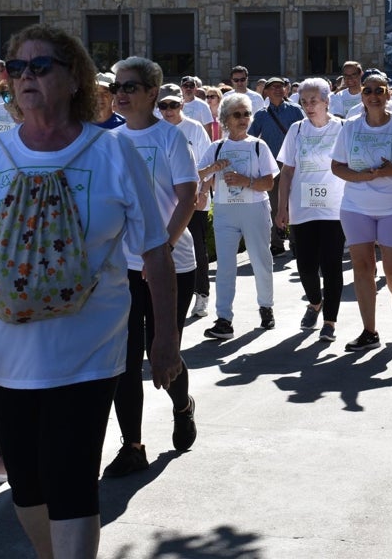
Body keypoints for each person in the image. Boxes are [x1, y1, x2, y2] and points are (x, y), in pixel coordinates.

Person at [0, 24, 181, 558]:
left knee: (70, 479)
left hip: (87, 354)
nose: (25, 77)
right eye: (17, 68)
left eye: (40, 66)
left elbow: (154, 253)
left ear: (74, 79)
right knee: (28, 484)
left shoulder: (112, 153)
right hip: (1, 356)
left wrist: (165, 341)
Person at [103, 67, 198, 478]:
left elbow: (188, 198)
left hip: (171, 264)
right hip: (122, 267)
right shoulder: (110, 140)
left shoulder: (169, 138)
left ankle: (182, 404)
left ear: (152, 92)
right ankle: (133, 444)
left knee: (163, 351)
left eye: (130, 87)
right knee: (125, 358)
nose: (120, 94)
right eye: (116, 88)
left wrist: (160, 250)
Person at [330, 72, 392, 350]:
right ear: (362, 96)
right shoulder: (350, 126)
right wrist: (361, 177)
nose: (373, 95)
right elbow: (337, 166)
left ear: (388, 94)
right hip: (356, 206)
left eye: (379, 90)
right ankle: (369, 331)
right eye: (368, 91)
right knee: (363, 267)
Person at [199, 93, 278, 339]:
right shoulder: (217, 147)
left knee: (260, 260)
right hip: (225, 210)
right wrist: (213, 169)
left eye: (246, 114)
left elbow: (269, 183)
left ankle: (266, 306)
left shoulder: (258, 145)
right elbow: (198, 174)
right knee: (224, 265)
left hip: (254, 209)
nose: (243, 119)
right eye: (237, 115)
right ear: (225, 119)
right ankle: (224, 319)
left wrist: (247, 181)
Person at [276, 78, 348, 342]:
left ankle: (329, 321)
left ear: (327, 101)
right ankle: (315, 302)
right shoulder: (296, 130)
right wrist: (281, 207)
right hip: (303, 208)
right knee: (305, 267)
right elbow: (286, 172)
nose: (308, 106)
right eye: (304, 101)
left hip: (335, 209)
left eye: (313, 101)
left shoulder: (343, 128)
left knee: (332, 267)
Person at [158, 84, 213, 319]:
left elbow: (208, 162)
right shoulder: (156, 130)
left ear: (182, 104)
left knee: (197, 248)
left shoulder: (195, 128)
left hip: (193, 199)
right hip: (166, 202)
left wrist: (202, 193)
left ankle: (201, 294)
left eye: (173, 105)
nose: (168, 110)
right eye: (163, 105)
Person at [249, 77, 305, 257]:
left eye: (281, 87)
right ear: (265, 91)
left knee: (294, 203)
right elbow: (252, 139)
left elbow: (305, 133)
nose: (278, 90)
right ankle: (277, 243)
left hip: (293, 164)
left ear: (286, 90)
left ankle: (297, 242)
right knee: (274, 205)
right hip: (271, 165)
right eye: (273, 87)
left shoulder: (296, 111)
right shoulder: (261, 114)